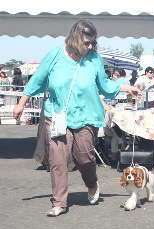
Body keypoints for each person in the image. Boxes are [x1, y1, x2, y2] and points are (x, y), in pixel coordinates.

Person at [13, 19, 142, 217]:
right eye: (86, 42)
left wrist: (126, 87)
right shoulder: (55, 55)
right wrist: (21, 103)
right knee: (58, 159)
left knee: (84, 157)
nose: (89, 46)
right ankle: (59, 202)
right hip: (57, 115)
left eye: (92, 43)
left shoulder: (94, 59)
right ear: (74, 39)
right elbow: (37, 79)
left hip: (86, 115)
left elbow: (105, 85)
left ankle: (92, 184)